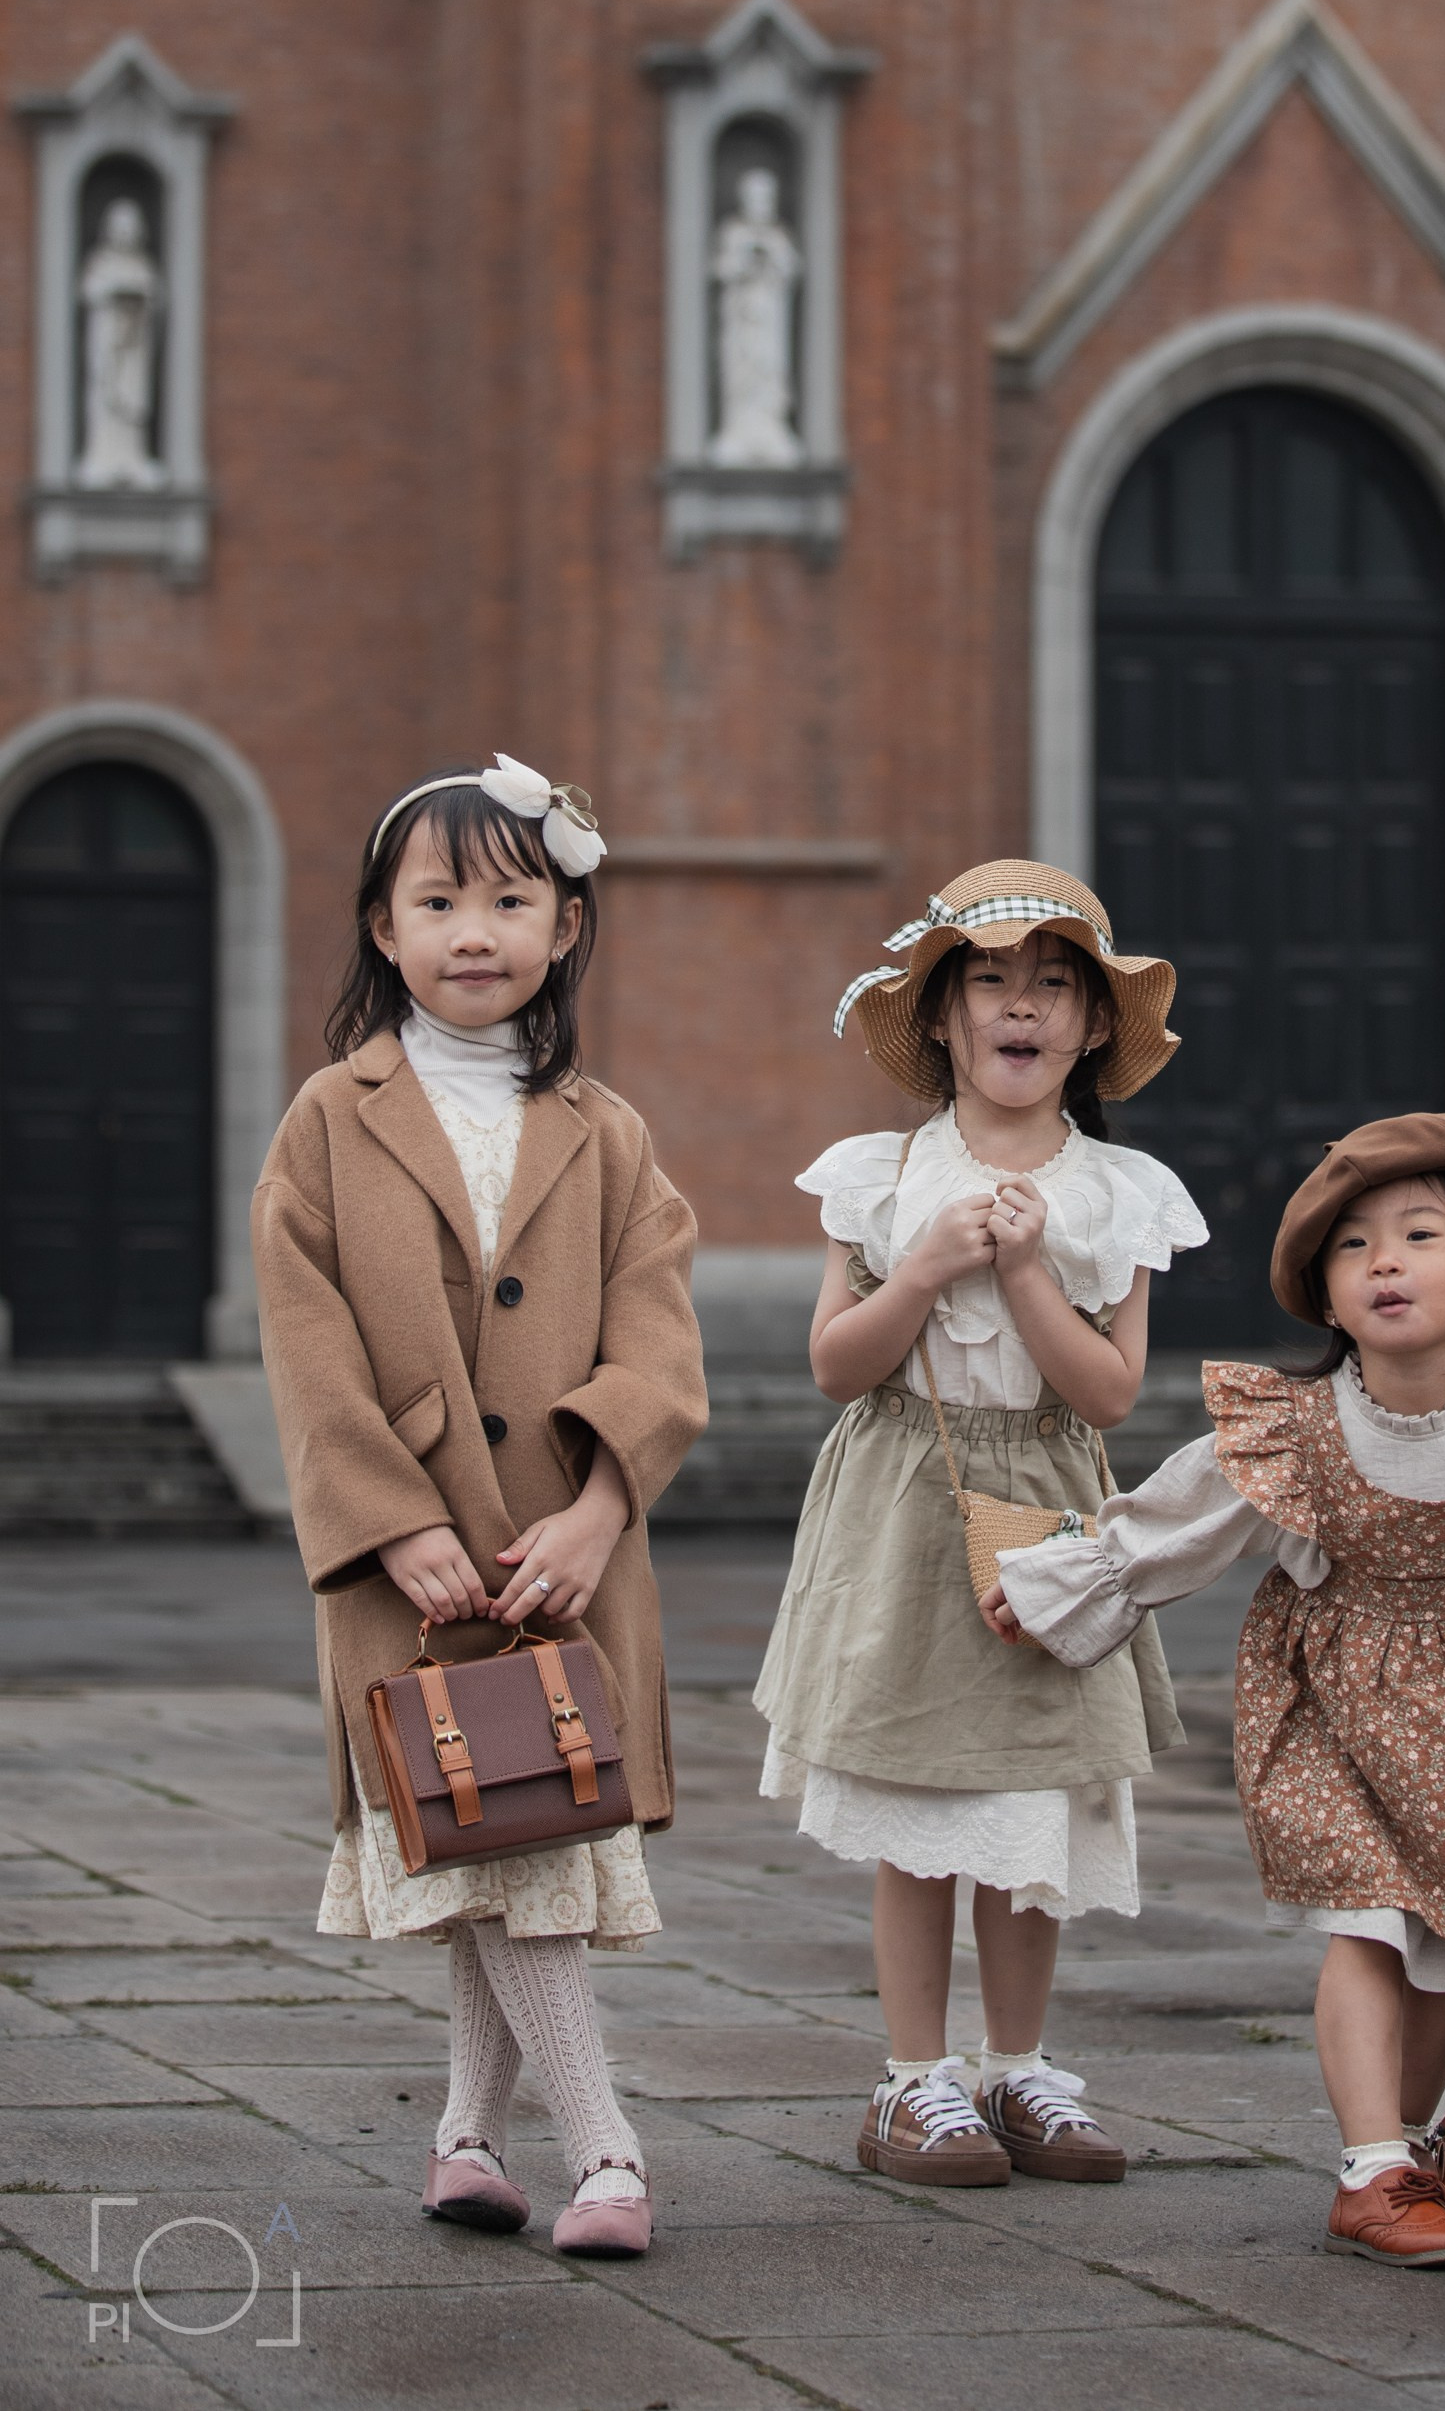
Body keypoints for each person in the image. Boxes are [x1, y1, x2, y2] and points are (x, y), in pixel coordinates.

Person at [987, 1111, 1445, 2268]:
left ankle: (1415, 2147)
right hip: (1329, 1695)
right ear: (1325, 1299)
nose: (1383, 1262)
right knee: (1367, 1920)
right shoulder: (1295, 1427)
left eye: (1418, 1235)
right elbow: (1175, 1524)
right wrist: (1061, 1586)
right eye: (1351, 1248)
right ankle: (1368, 2169)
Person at [254, 756, 706, 2260]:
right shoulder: (331, 1118)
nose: (474, 931)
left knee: (507, 1840)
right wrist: (390, 1519)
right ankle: (609, 2152)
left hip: (558, 1558)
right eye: (436, 899)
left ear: (565, 925)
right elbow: (307, 1342)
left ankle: (465, 2136)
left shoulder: (608, 1130)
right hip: (418, 1565)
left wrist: (596, 1509)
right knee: (498, 1847)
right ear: (382, 929)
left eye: (512, 899)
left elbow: (660, 1336)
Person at [753, 860, 1207, 2186]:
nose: (1023, 1007)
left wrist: (1020, 1269)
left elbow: (1108, 1393)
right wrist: (933, 1263)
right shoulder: (883, 1176)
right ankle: (914, 2078)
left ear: (1090, 1029)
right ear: (943, 1019)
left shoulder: (1120, 1197)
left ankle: (1020, 2067)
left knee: (1033, 1795)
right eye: (992, 983)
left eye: (1055, 985)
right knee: (918, 1791)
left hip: (1048, 1503)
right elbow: (838, 1364)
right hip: (906, 1495)